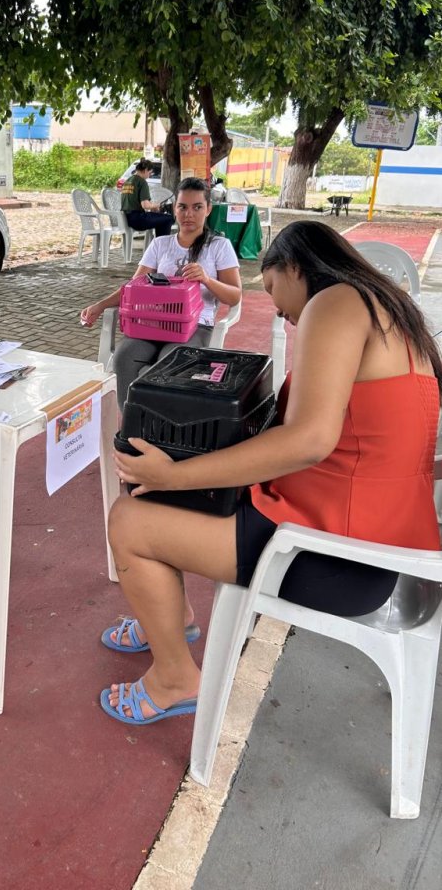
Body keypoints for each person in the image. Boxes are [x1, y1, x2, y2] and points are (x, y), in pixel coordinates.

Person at [99, 220, 442, 725]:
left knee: (129, 519)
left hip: (335, 556)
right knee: (171, 494)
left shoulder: (336, 302)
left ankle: (174, 681)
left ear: (296, 266)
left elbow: (309, 441)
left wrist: (176, 475)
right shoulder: (389, 310)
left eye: (274, 288)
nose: (280, 312)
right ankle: (172, 619)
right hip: (372, 541)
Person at [81, 177, 242, 407]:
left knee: (170, 361)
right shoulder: (160, 245)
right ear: (174, 209)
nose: (189, 214)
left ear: (208, 209)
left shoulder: (218, 246)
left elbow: (234, 296)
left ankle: (160, 424)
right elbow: (133, 288)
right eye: (182, 207)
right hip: (153, 323)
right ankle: (130, 420)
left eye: (197, 207)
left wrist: (206, 279)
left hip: (196, 326)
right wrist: (100, 305)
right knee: (125, 357)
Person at [120, 158, 174, 237]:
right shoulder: (142, 182)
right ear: (145, 170)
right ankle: (160, 243)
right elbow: (145, 205)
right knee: (168, 219)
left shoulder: (127, 181)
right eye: (150, 173)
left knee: (160, 219)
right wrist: (158, 205)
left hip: (125, 219)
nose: (149, 176)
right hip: (138, 220)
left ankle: (157, 242)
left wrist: (152, 207)